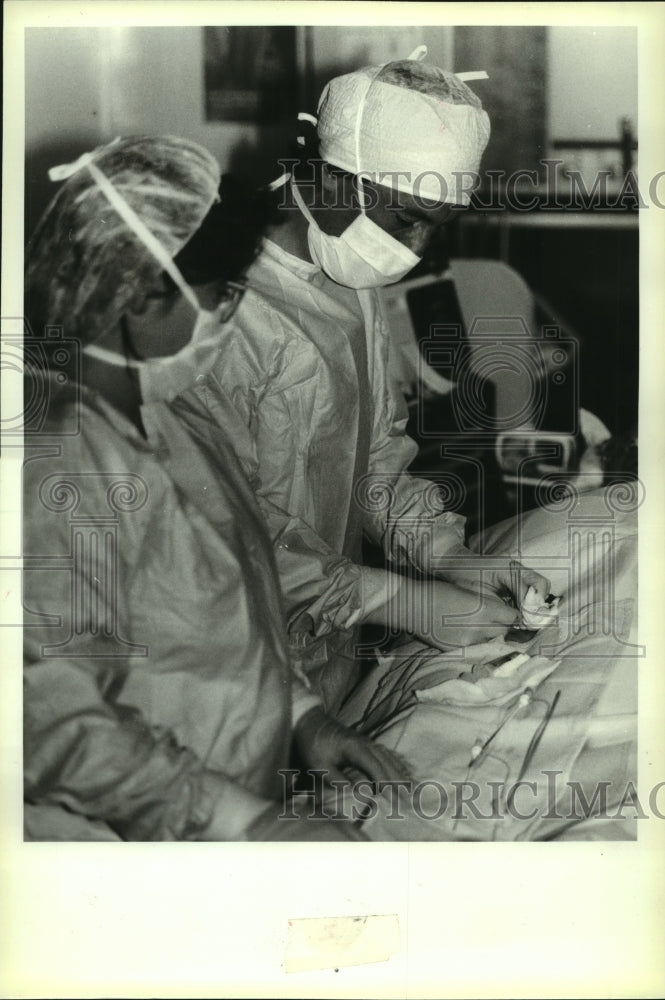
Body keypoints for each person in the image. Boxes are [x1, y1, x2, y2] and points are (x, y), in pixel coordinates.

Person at [22, 135, 409, 842]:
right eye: (221, 296)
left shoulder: (172, 421)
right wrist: (241, 820)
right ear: (140, 297)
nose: (230, 316)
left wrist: (304, 720)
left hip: (225, 805)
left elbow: (225, 626)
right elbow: (50, 715)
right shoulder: (55, 464)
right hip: (127, 842)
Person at [175, 50, 550, 711]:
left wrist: (447, 557)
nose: (415, 247)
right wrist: (395, 599)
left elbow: (373, 458)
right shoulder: (219, 311)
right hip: (222, 667)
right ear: (326, 182)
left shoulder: (351, 280)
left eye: (434, 224)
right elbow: (215, 528)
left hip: (324, 658)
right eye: (405, 217)